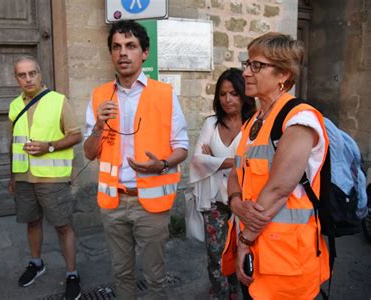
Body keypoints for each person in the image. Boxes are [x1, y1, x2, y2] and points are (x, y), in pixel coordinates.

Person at [84, 20, 189, 299]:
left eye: (130, 46)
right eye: (117, 47)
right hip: (113, 202)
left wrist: (162, 164)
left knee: (155, 276)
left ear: (145, 52)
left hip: (151, 205)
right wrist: (98, 126)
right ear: (111, 54)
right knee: (121, 273)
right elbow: (89, 152)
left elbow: (182, 147)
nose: (123, 53)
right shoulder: (98, 96)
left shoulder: (164, 94)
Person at [223, 32, 330, 299]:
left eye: (256, 65)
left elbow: (278, 191)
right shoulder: (253, 121)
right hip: (256, 255)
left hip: (286, 262)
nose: (246, 72)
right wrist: (235, 202)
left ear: (283, 74)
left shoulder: (299, 119)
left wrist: (246, 242)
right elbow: (236, 173)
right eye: (246, 63)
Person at [8, 56, 82, 299]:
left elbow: (76, 136)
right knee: (32, 223)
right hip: (24, 178)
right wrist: (13, 176)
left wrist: (48, 147)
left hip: (52, 178)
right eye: (22, 75)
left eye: (32, 73)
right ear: (16, 78)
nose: (28, 78)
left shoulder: (59, 101)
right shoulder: (14, 106)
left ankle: (72, 274)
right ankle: (36, 263)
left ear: (40, 74)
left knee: (63, 226)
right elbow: (15, 144)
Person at [188, 68, 256, 299]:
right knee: (215, 256)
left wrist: (215, 161)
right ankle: (219, 294)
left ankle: (238, 293)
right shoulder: (211, 124)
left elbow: (256, 163)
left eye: (234, 93)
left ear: (244, 95)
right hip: (215, 202)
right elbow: (198, 160)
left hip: (245, 201)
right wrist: (236, 161)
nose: (227, 100)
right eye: (223, 94)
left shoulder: (255, 125)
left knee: (242, 253)